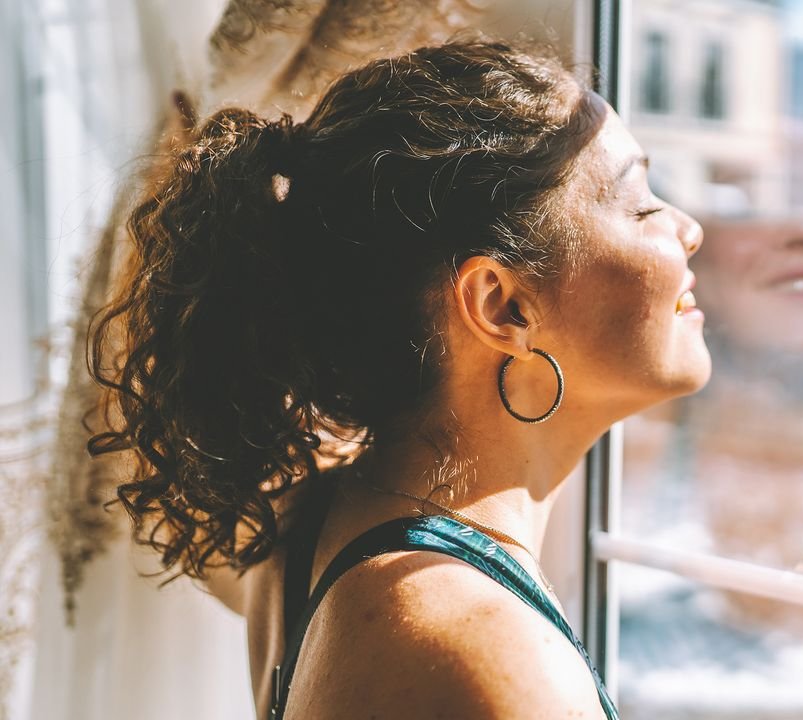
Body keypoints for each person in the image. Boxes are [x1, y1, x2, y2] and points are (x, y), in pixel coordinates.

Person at [87, 40, 708, 720]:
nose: (690, 229)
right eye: (643, 205)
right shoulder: (485, 659)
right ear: (504, 307)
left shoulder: (315, 519)